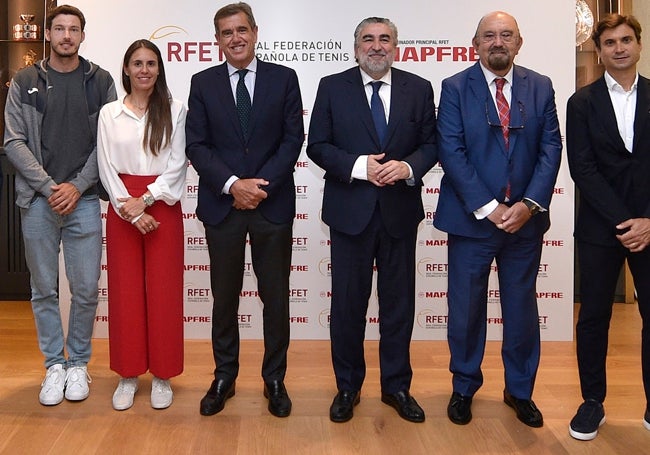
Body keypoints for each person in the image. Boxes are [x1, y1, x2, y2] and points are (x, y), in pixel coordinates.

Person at [434, 11, 562, 428]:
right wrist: (490, 208)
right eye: (489, 35)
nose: (497, 42)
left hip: (525, 223)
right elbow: (451, 151)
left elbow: (551, 148)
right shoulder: (454, 87)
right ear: (476, 43)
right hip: (473, 222)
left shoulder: (540, 86)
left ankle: (519, 390)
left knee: (522, 310)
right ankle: (464, 387)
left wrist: (529, 203)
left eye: (506, 35)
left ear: (519, 43)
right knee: (466, 310)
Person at [307, 16, 437, 423]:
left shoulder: (419, 88)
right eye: (368, 39)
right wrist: (361, 166)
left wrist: (408, 167)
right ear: (356, 46)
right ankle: (348, 386)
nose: (376, 46)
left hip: (399, 212)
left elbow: (432, 144)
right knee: (348, 306)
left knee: (399, 306)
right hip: (350, 215)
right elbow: (318, 146)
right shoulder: (332, 86)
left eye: (384, 39)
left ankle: (396, 386)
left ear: (396, 46)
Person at [186, 2, 304, 418]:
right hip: (223, 206)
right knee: (224, 298)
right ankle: (225, 377)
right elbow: (196, 144)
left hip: (271, 205)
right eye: (225, 32)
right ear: (217, 40)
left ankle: (275, 379)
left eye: (241, 30)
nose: (235, 38)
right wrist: (234, 185)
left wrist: (258, 187)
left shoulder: (284, 78)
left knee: (275, 298)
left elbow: (293, 139)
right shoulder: (202, 83)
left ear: (255, 32)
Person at [3, 5, 116, 405]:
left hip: (84, 201)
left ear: (83, 36)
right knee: (43, 289)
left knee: (85, 289)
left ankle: (78, 364)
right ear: (47, 35)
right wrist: (52, 187)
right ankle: (54, 364)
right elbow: (13, 141)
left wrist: (77, 185)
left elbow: (107, 143)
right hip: (37, 202)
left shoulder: (100, 81)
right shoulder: (24, 80)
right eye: (60, 29)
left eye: (74, 30)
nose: (67, 36)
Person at [566, 13, 650, 441]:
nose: (619, 48)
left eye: (626, 40)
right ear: (599, 53)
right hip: (602, 229)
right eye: (610, 43)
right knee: (594, 317)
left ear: (638, 44)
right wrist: (625, 221)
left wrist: (647, 220)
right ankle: (592, 402)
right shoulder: (581, 103)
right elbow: (582, 168)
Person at [97, 39, 187, 411]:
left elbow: (178, 163)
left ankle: (163, 375)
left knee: (164, 294)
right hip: (122, 209)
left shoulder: (175, 109)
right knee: (126, 293)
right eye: (137, 63)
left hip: (161, 207)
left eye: (151, 63)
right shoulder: (109, 112)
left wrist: (146, 201)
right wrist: (131, 211)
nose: (144, 70)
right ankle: (128, 374)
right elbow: (105, 166)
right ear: (127, 69)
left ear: (159, 69)